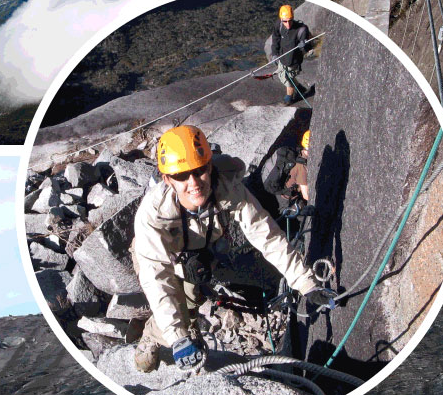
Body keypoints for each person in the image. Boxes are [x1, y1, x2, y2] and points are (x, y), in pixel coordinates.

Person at [132, 125, 329, 373]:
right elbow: (156, 276)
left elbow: (265, 235)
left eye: (199, 170)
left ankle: (187, 327)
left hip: (198, 247)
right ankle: (153, 336)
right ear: (168, 179)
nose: (193, 183)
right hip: (158, 252)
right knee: (174, 306)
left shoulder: (227, 186)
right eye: (182, 175)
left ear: (210, 166)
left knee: (191, 298)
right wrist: (177, 338)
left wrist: (306, 283)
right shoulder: (153, 214)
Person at [271, 5, 311, 105]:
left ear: (293, 18)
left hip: (294, 60)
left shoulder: (301, 29)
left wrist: (304, 45)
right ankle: (300, 88)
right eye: (285, 21)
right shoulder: (278, 25)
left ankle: (289, 97)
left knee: (288, 79)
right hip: (282, 57)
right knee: (283, 75)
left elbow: (307, 47)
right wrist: (275, 54)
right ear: (281, 19)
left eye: (290, 20)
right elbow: (276, 40)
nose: (288, 24)